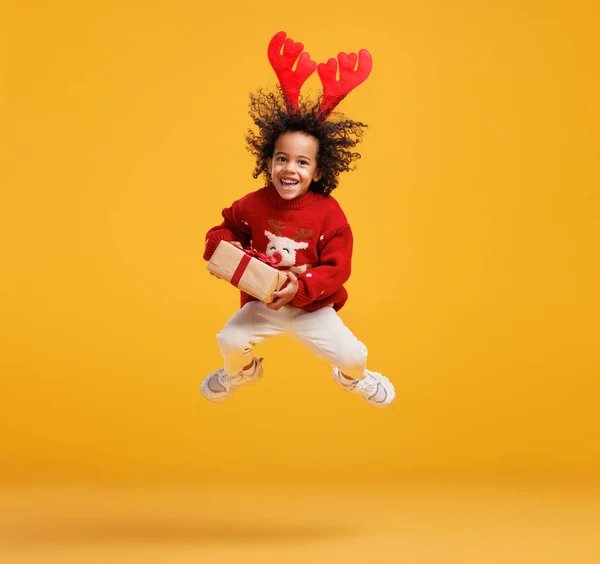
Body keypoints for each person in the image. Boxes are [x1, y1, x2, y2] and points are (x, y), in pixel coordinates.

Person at [200, 32, 395, 408]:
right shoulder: (254, 203)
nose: (290, 169)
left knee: (354, 355)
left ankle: (355, 380)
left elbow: (338, 268)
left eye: (302, 162)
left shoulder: (329, 213)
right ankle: (241, 371)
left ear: (319, 171)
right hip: (263, 304)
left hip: (312, 308)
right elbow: (223, 228)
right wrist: (224, 249)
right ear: (268, 161)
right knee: (229, 340)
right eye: (282, 159)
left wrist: (301, 287)